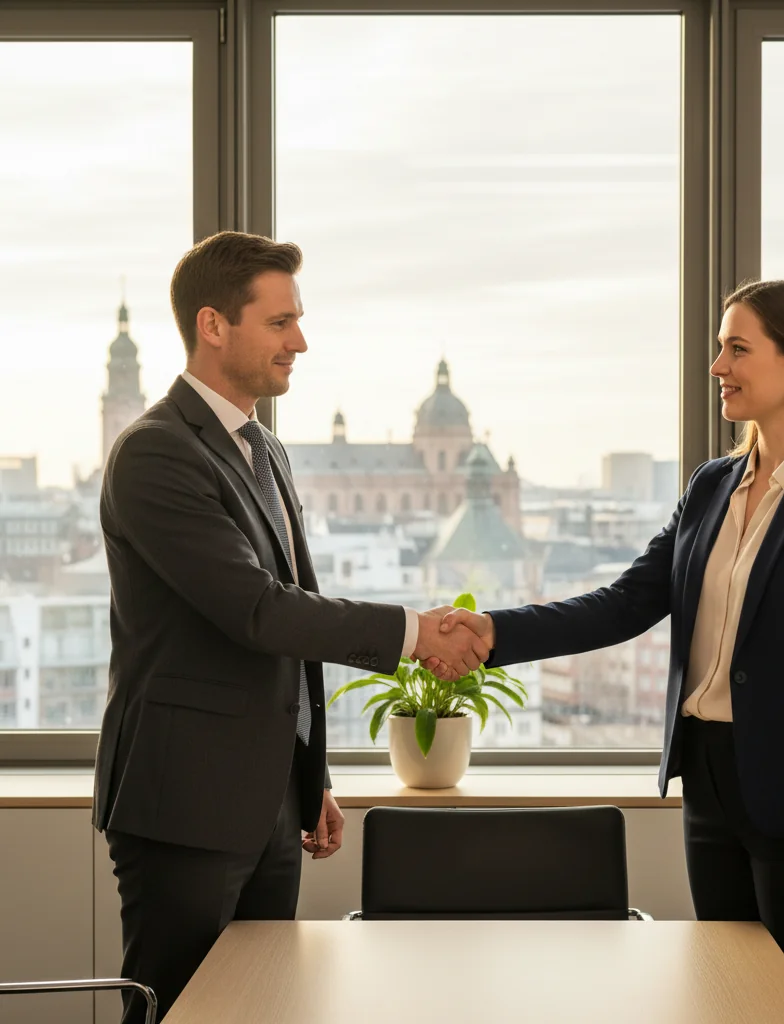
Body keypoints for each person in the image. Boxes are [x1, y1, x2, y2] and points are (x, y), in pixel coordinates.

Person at [433, 278, 784, 1021]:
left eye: (737, 348)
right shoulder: (713, 485)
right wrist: (495, 632)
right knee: (725, 1002)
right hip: (709, 786)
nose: (718, 366)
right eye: (720, 347)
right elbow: (626, 602)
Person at [93, 230, 488, 1023]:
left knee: (263, 1008)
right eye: (280, 322)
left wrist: (310, 777)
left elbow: (289, 615)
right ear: (213, 325)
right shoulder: (155, 453)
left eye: (297, 321)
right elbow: (259, 610)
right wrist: (416, 634)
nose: (299, 342)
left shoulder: (263, 448)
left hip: (268, 801)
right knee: (179, 1009)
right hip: (186, 803)